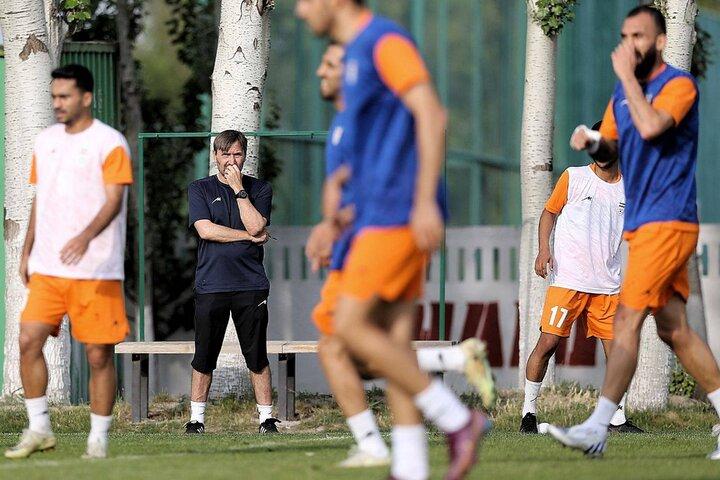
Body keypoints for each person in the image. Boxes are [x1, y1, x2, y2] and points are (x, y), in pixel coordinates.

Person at [296, 2, 495, 479]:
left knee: (345, 327)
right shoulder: (358, 53)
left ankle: (457, 419)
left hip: (396, 215)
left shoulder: (383, 41)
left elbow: (431, 113)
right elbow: (372, 158)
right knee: (394, 346)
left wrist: (424, 201)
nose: (300, 11)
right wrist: (335, 222)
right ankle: (410, 468)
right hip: (377, 215)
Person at [548, 5, 720, 459]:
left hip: (668, 220)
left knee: (625, 320)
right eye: (625, 36)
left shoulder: (678, 85)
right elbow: (612, 146)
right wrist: (591, 141)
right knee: (675, 330)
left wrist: (626, 80)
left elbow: (651, 126)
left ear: (661, 41)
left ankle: (597, 427)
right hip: (644, 225)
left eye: (639, 35)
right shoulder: (622, 93)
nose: (630, 44)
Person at [5, 65, 133, 459]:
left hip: (96, 268)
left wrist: (85, 236)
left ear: (86, 98)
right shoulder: (45, 141)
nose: (57, 103)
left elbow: (114, 200)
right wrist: (26, 250)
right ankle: (39, 428)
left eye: (65, 96)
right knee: (28, 339)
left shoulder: (109, 142)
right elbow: (40, 199)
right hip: (48, 268)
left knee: (97, 354)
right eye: (54, 96)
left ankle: (98, 439)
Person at [520, 121, 641, 434]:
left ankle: (616, 418)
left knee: (618, 352)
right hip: (568, 281)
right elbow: (549, 212)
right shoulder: (573, 177)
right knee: (548, 343)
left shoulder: (629, 189)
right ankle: (528, 413)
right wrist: (543, 250)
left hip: (607, 285)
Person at [185, 130, 278, 434]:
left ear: (245, 156)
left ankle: (266, 419)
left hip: (251, 285)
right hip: (211, 284)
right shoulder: (200, 188)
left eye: (237, 154)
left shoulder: (260, 189)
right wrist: (248, 237)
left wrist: (239, 190)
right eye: (225, 154)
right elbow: (206, 230)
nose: (231, 160)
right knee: (204, 356)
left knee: (256, 355)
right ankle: (196, 420)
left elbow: (256, 224)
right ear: (215, 156)